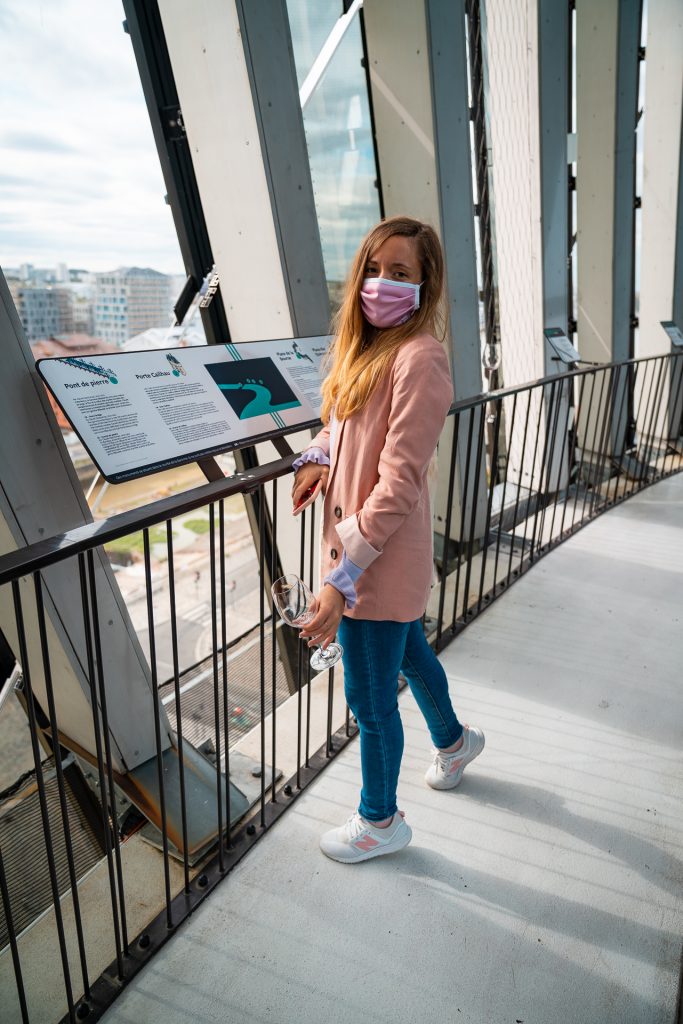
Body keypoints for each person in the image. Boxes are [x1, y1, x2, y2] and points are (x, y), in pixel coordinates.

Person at [291, 216, 484, 864]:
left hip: (373, 561)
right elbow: (339, 425)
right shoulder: (366, 350)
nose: (381, 283)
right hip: (373, 560)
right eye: (373, 269)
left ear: (422, 283)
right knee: (411, 659)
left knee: (371, 705)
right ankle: (454, 743)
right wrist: (313, 457)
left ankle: (379, 821)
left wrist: (338, 580)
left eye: (398, 273)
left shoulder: (419, 358)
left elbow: (398, 483)